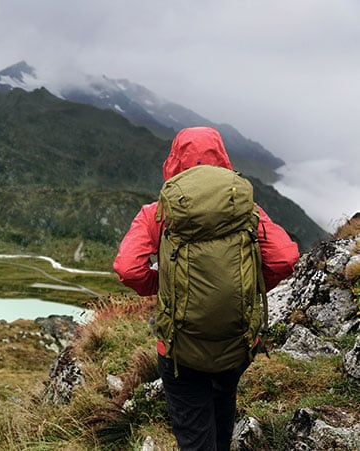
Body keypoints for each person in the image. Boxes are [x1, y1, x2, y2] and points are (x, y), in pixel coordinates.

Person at [113, 126, 299, 450]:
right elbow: (285, 258)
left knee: (194, 429)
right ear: (222, 158)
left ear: (173, 161)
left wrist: (164, 287)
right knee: (223, 400)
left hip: (179, 349)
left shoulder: (157, 214)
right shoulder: (247, 211)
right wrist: (248, 291)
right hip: (236, 342)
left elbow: (128, 269)